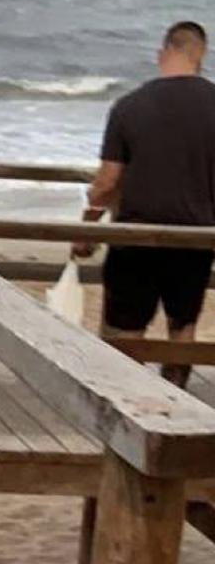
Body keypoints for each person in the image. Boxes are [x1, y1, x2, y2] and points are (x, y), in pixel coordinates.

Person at [73, 22, 215, 388]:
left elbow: (106, 183)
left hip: (134, 235)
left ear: (163, 53)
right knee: (182, 325)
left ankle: (127, 402)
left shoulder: (129, 106)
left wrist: (86, 227)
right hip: (195, 237)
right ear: (201, 55)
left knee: (124, 329)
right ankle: (175, 400)